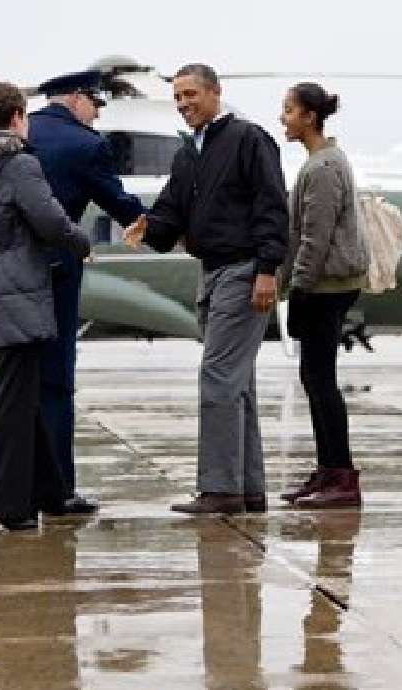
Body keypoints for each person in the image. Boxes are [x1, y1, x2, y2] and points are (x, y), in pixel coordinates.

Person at [124, 64, 288, 515]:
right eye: (177, 97)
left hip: (243, 270)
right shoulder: (187, 155)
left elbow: (273, 207)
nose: (183, 104)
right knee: (238, 386)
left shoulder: (250, 140)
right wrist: (147, 228)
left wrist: (267, 270)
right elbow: (172, 212)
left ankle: (220, 490)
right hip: (212, 273)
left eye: (191, 94)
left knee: (217, 378)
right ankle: (248, 489)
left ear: (216, 93)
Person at [0, 82, 92, 531]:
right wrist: (80, 243)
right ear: (16, 118)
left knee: (21, 396)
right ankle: (3, 505)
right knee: (12, 403)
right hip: (18, 296)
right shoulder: (19, 164)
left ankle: (49, 491)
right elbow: (49, 219)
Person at [27, 69, 148, 516]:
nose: (97, 115)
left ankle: (14, 484)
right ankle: (57, 490)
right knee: (55, 381)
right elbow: (122, 207)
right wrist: (164, 224)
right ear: (77, 99)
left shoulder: (17, 135)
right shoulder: (86, 145)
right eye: (96, 104)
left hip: (4, 280)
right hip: (56, 274)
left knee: (10, 382)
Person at [276, 83, 369, 509]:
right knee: (315, 380)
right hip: (324, 285)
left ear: (310, 116)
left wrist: (297, 289)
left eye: (290, 110)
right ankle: (330, 469)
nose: (284, 118)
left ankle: (341, 476)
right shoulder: (321, 162)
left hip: (325, 287)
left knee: (321, 382)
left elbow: (315, 238)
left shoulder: (324, 167)